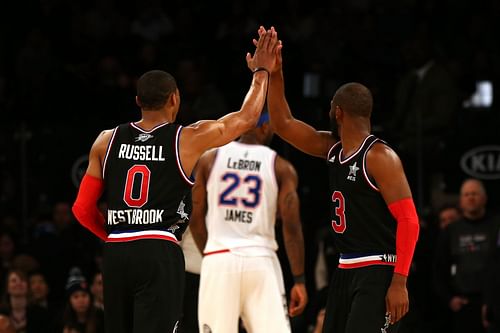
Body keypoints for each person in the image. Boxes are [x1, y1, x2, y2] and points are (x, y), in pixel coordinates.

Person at [71, 27, 280, 333]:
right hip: (158, 250)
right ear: (174, 99)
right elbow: (247, 117)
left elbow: (81, 209)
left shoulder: (105, 140)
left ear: (138, 100)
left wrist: (116, 236)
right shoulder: (187, 139)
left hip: (116, 253)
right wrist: (262, 70)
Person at [263, 26, 420, 332]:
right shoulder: (332, 148)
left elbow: (410, 221)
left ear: (337, 112)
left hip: (379, 268)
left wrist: (400, 281)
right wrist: (276, 73)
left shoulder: (379, 157)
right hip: (345, 267)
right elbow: (282, 124)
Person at [189, 111, 308, 333]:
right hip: (260, 260)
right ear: (264, 127)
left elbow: (195, 219)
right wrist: (299, 279)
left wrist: (212, 254)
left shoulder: (210, 159)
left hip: (219, 258)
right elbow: (291, 227)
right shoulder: (280, 167)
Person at [433, 178, 500, 333]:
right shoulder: (451, 231)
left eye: (475, 194)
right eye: (466, 194)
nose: (471, 197)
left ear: (484, 198)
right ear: (461, 201)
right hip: (464, 305)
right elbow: (438, 269)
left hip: (495, 304)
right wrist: (449, 299)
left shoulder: (497, 225)